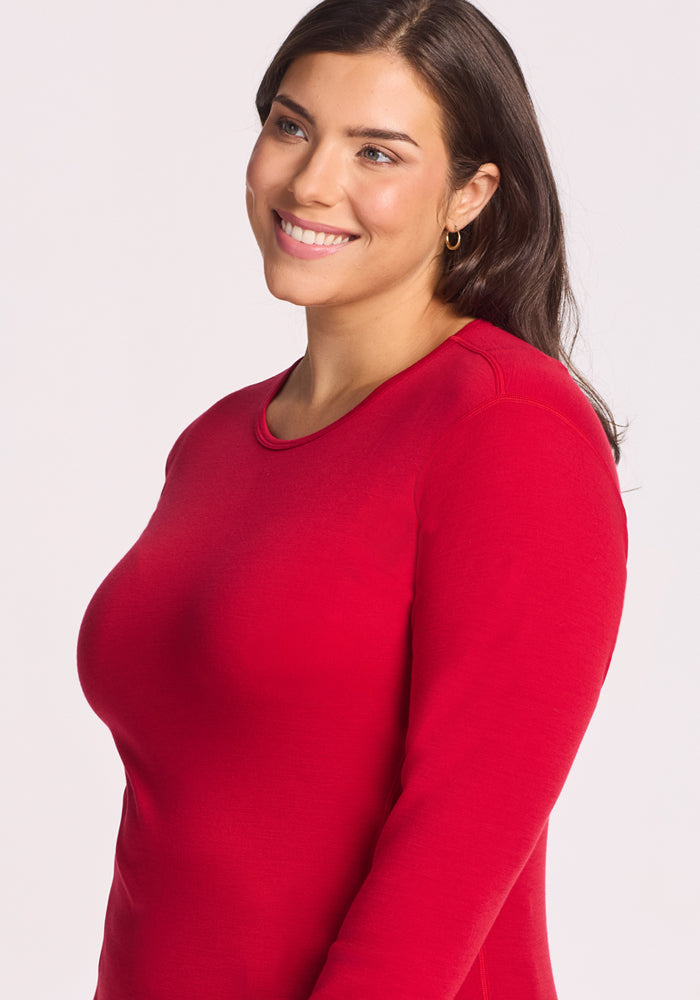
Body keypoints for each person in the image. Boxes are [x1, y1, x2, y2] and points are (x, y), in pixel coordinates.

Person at [77, 1, 627, 998]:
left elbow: (455, 848)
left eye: (377, 152)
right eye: (292, 126)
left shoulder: (509, 430)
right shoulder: (214, 444)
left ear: (469, 193)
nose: (312, 180)